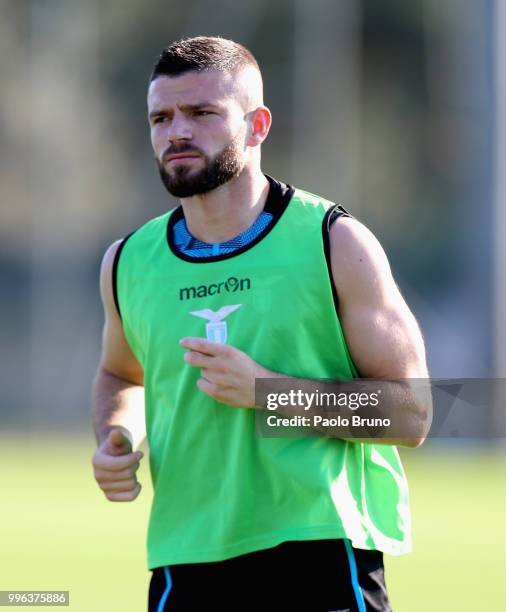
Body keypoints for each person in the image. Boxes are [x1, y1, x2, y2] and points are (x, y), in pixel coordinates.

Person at [91, 36, 430, 612]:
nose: (177, 132)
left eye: (201, 113)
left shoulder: (333, 241)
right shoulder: (128, 261)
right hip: (184, 555)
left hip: (320, 551)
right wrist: (116, 436)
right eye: (161, 117)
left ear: (257, 125)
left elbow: (414, 412)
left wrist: (272, 395)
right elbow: (120, 375)